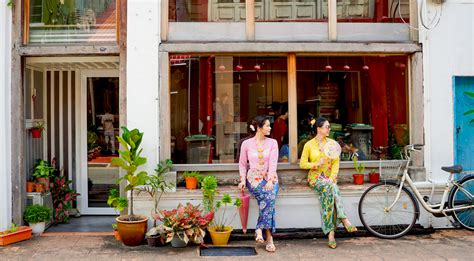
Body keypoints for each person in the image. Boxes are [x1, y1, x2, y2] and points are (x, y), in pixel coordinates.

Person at [299, 116, 357, 249]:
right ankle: (343, 218)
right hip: (315, 178)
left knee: (328, 197)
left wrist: (333, 176)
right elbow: (302, 164)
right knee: (331, 188)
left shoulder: (332, 144)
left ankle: (331, 234)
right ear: (319, 129)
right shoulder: (309, 145)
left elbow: (336, 162)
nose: (329, 129)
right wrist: (315, 164)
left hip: (329, 179)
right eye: (327, 127)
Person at [238, 116, 279, 253]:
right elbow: (243, 164)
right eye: (267, 126)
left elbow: (273, 164)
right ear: (259, 128)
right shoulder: (246, 144)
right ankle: (268, 236)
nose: (270, 128)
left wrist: (269, 180)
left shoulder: (273, 143)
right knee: (268, 198)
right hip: (253, 178)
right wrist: (243, 179)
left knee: (270, 194)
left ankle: (259, 229)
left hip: (270, 177)